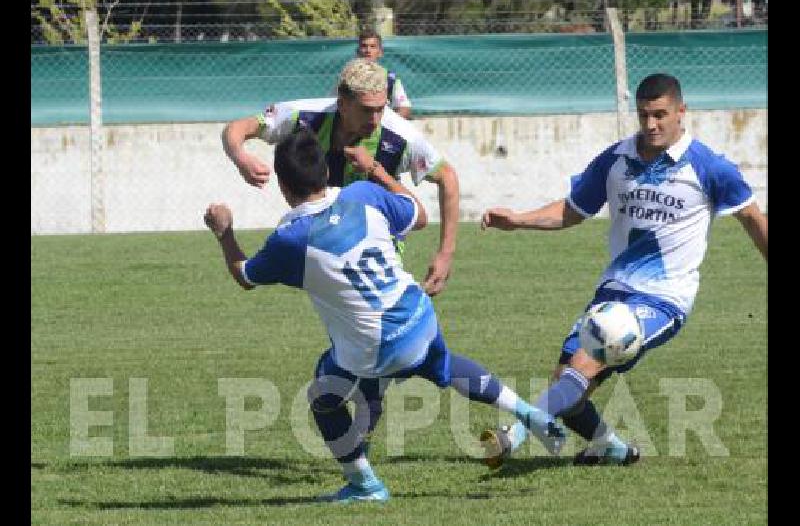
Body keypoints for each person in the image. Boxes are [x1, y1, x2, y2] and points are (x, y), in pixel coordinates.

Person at [204, 129, 566, 503]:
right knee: (441, 365)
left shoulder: (290, 240)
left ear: (282, 184)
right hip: (418, 313)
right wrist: (377, 171)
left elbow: (245, 276)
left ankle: (365, 485)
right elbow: (418, 214)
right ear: (327, 172)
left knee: (323, 397)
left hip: (376, 346)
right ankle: (526, 411)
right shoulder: (362, 195)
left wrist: (224, 231)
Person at [479, 73, 768, 468]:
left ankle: (513, 436)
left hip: (664, 298)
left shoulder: (710, 168)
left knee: (582, 366)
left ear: (682, 112)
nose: (651, 125)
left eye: (661, 115)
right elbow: (573, 210)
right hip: (612, 291)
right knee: (567, 383)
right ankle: (613, 449)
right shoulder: (616, 159)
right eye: (644, 115)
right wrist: (519, 220)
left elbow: (754, 220)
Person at [221, 58, 457, 297]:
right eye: (366, 110)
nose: (376, 119)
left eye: (381, 108)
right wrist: (241, 157)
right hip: (326, 245)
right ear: (342, 104)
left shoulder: (401, 136)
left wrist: (445, 254)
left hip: (376, 250)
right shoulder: (304, 116)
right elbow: (237, 128)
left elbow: (447, 177)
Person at [355, 27, 412, 119]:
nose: (368, 50)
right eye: (364, 46)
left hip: (379, 132)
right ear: (358, 51)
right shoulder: (346, 77)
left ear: (380, 52)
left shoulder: (390, 78)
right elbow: (333, 104)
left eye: (373, 46)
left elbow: (404, 107)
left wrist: (389, 124)